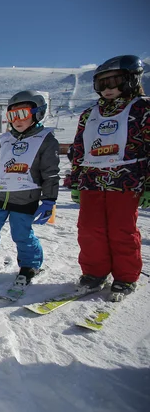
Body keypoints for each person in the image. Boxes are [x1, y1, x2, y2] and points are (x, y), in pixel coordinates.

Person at [69, 55, 149, 301]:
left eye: (114, 82)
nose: (108, 89)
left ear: (131, 80)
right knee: (89, 229)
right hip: (91, 180)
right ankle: (94, 273)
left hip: (126, 180)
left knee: (121, 230)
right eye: (101, 84)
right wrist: (75, 181)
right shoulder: (89, 114)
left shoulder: (142, 109)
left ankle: (126, 277)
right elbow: (78, 149)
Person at [0, 90, 60, 294]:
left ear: (38, 113)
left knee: (22, 234)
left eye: (23, 114)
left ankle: (30, 265)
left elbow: (51, 174)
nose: (17, 120)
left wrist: (49, 200)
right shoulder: (5, 140)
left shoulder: (45, 140)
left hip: (25, 198)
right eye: (12, 115)